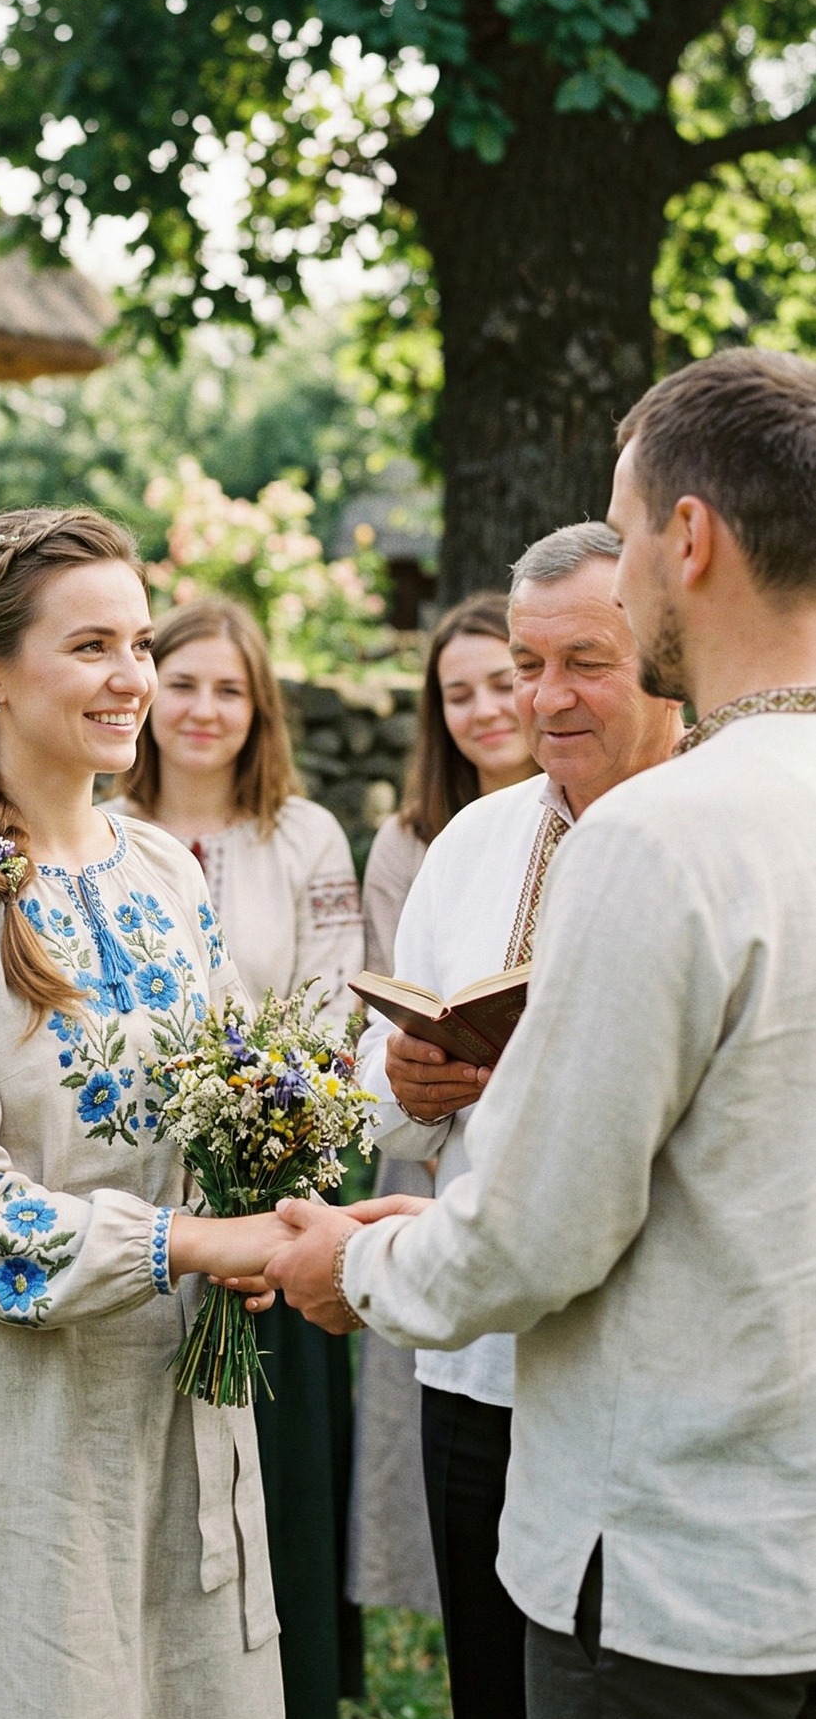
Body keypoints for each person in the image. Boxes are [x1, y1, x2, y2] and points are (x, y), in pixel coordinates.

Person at [266, 345, 816, 1719]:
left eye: (627, 535)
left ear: (685, 540)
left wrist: (355, 1264)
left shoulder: (666, 838)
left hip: (676, 1570)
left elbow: (537, 1234)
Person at [0, 508, 298, 1719]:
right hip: (14, 1426)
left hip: (178, 1401)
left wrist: (263, 1206)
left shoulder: (164, 869)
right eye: (90, 645)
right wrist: (184, 1246)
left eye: (141, 643)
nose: (133, 680)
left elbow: (221, 1110)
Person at [352, 525, 681, 1719]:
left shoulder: (711, 836)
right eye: (525, 661)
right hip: (474, 1354)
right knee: (494, 1717)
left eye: (582, 661)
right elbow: (390, 1098)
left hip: (646, 1366)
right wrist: (409, 1088)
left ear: (659, 652)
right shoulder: (473, 842)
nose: (542, 698)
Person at [111, 594, 366, 1719]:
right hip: (136, 1189)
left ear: (256, 705)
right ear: (147, 693)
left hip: (278, 1186)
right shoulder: (99, 826)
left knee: (274, 1445)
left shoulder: (300, 833)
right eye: (182, 681)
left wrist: (270, 1134)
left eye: (228, 687)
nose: (202, 708)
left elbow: (335, 997)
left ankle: (274, 1692)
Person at [350, 593, 536, 1640]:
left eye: (560, 665)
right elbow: (376, 1048)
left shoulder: (668, 822)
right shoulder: (449, 842)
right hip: (448, 1216)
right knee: (480, 1604)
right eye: (456, 690)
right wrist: (404, 1076)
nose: (503, 704)